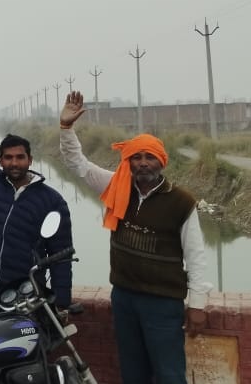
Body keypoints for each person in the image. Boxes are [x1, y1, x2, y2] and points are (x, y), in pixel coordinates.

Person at [58, 91, 211, 384]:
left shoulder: (181, 202)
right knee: (133, 372)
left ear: (161, 162)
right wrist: (66, 129)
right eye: (136, 157)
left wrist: (198, 305)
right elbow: (79, 165)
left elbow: (196, 257)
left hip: (163, 303)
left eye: (149, 157)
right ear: (128, 162)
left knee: (169, 374)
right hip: (125, 297)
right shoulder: (118, 187)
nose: (142, 163)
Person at [0, 76, 73, 314]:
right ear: (0, 161)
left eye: (20, 157)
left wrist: (62, 301)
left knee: (24, 351)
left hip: (27, 292)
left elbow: (60, 255)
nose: (14, 163)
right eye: (8, 158)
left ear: (30, 160)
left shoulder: (51, 201)